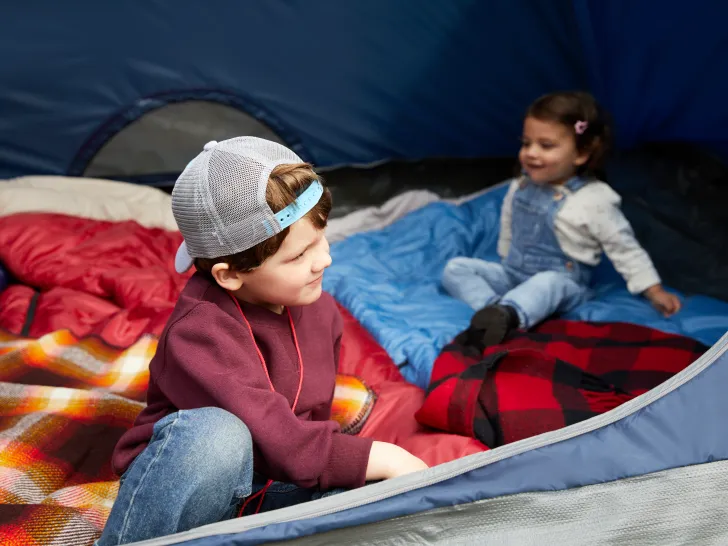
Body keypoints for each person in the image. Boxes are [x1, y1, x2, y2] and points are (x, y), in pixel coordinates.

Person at [96, 137, 428, 545]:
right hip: (191, 492)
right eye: (298, 256)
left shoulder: (321, 310)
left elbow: (309, 430)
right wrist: (382, 456)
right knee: (219, 434)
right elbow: (276, 436)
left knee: (367, 496)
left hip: (271, 489)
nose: (323, 260)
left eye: (321, 237)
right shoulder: (199, 331)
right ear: (231, 274)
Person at [442, 91, 681, 346]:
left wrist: (654, 290)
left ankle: (511, 313)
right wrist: (504, 254)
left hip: (564, 284)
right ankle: (493, 312)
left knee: (548, 283)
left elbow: (624, 247)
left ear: (581, 154)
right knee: (455, 268)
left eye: (546, 146)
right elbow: (509, 223)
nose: (531, 153)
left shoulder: (593, 200)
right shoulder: (521, 186)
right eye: (526, 143)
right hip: (514, 274)